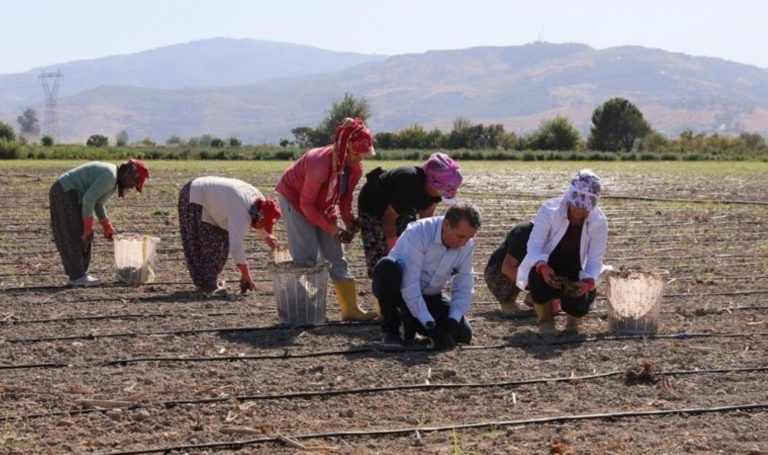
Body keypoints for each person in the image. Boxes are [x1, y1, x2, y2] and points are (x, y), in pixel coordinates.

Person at [275, 117, 376, 321]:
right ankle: (304, 309)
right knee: (307, 256)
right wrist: (332, 229)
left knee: (336, 255)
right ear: (344, 149)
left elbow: (344, 199)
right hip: (296, 200)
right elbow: (307, 205)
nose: (360, 159)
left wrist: (349, 222)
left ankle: (350, 310)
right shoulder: (319, 164)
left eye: (363, 154)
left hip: (323, 204)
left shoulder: (355, 169)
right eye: (357, 154)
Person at [357, 153, 463, 314]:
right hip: (374, 208)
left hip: (401, 210)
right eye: (442, 191)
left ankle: (405, 303)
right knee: (382, 259)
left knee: (411, 252)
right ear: (432, 181)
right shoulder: (409, 183)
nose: (442, 194)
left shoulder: (435, 191)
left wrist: (427, 248)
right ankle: (385, 308)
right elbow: (389, 219)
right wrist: (395, 252)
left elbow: (426, 219)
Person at [373, 203, 481, 349]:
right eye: (460, 236)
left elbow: (464, 284)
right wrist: (429, 323)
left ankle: (411, 321)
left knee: (463, 335)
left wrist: (453, 320)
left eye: (469, 238)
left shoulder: (467, 244)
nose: (463, 243)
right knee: (387, 267)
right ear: (447, 225)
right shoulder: (418, 234)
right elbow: (409, 284)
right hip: (401, 292)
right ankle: (392, 331)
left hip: (431, 295)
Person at [516, 169, 609, 335]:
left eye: (585, 206)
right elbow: (534, 247)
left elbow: (594, 261)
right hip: (550, 266)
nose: (579, 210)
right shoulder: (549, 210)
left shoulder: (599, 222)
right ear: (569, 196)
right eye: (576, 204)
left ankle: (573, 323)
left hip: (576, 270)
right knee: (537, 278)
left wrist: (587, 283)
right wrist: (543, 267)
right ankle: (545, 320)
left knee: (579, 300)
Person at [49, 159, 150, 287]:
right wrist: (87, 228)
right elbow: (88, 199)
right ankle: (77, 276)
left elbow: (98, 203)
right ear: (130, 174)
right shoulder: (110, 177)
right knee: (74, 233)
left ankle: (80, 275)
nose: (131, 187)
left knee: (80, 233)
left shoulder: (112, 179)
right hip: (65, 191)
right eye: (135, 182)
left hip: (70, 192)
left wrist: (107, 226)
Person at [178, 176, 281, 294]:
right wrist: (246, 275)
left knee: (220, 245)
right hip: (195, 196)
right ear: (258, 215)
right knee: (206, 246)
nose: (262, 227)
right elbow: (236, 247)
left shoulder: (259, 202)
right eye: (263, 224)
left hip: (210, 195)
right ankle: (207, 286)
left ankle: (208, 283)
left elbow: (259, 222)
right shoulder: (241, 215)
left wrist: (267, 237)